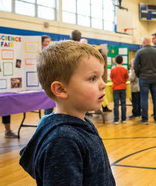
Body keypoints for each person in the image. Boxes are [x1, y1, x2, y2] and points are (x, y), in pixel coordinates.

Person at [19, 40, 115, 185]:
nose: (103, 84)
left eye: (101, 77)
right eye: (92, 78)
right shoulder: (62, 140)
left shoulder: (81, 123)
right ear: (61, 89)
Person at [134, 36, 156, 124]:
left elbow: (136, 66)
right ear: (150, 42)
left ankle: (145, 119)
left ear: (143, 43)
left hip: (144, 78)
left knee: (144, 99)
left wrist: (139, 75)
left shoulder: (139, 52)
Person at [110, 55, 129, 124]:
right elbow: (126, 78)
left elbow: (111, 78)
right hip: (123, 88)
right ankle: (124, 119)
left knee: (116, 104)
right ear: (122, 61)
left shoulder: (113, 70)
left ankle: (116, 120)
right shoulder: (125, 70)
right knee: (123, 104)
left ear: (115, 61)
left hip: (115, 88)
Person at [42, 35, 55, 115]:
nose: (48, 43)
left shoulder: (50, 52)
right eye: (46, 41)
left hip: (49, 79)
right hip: (40, 79)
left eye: (49, 41)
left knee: (50, 99)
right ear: (42, 42)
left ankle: (47, 115)